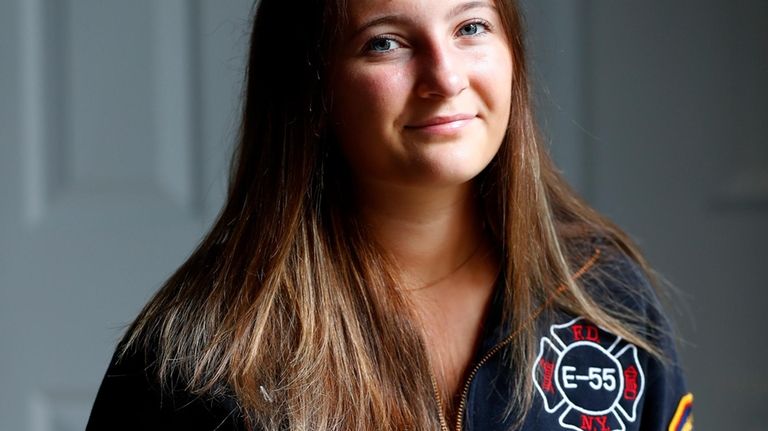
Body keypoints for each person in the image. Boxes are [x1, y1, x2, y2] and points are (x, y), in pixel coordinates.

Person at [86, 0, 693, 430]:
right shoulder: (201, 359)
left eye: (471, 25)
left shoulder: (604, 295)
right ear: (312, 86)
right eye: (386, 42)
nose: (445, 76)